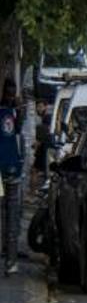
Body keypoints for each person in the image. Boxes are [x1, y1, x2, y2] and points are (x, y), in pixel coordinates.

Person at [0, 78, 24, 275]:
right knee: (6, 214)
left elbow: (18, 132)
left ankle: (11, 260)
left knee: (12, 215)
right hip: (6, 170)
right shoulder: (3, 111)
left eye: (12, 93)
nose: (11, 96)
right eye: (9, 93)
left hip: (13, 169)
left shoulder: (15, 112)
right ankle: (8, 258)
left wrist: (19, 111)